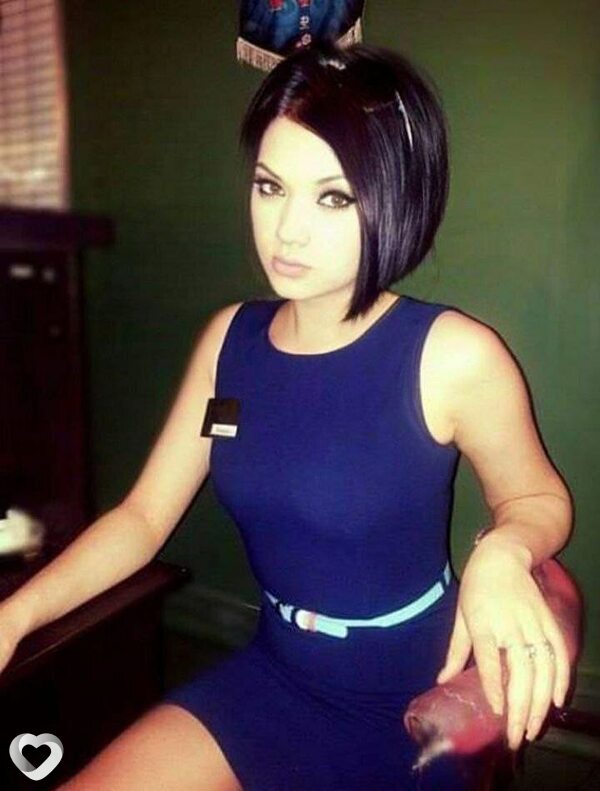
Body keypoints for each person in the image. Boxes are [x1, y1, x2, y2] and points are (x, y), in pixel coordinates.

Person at [0, 40, 573, 790]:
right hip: (274, 677)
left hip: (414, 703)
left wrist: (504, 551)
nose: (287, 229)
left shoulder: (453, 354)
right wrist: (15, 615)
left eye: (333, 197)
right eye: (271, 187)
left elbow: (537, 497)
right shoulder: (228, 340)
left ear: (396, 198)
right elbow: (142, 517)